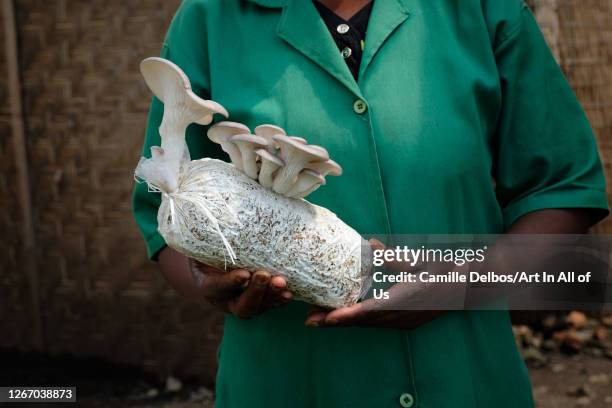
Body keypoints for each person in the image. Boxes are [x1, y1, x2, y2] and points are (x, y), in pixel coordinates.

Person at [132, 0, 609, 407]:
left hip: (465, 379)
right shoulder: (209, 19)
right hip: (288, 383)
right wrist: (205, 281)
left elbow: (561, 190)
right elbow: (162, 214)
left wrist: (461, 283)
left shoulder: (481, 9)